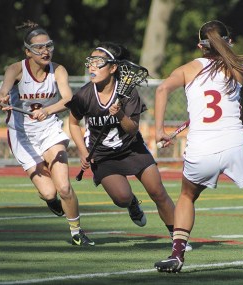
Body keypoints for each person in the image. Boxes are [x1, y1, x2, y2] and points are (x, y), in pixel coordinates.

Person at [154, 20, 243, 273]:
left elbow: (161, 89)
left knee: (186, 196)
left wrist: (160, 130)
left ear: (200, 46)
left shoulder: (187, 68)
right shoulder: (240, 69)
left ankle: (177, 255)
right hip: (235, 144)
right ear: (229, 42)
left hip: (200, 149)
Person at [67, 41, 192, 250]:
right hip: (103, 155)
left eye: (98, 63)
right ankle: (132, 204)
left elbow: (132, 129)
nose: (92, 67)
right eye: (90, 62)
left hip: (132, 149)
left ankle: (176, 238)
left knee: (158, 192)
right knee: (122, 197)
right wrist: (83, 151)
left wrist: (120, 114)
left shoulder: (128, 93)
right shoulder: (84, 95)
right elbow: (73, 122)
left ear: (113, 67)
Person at [0, 20, 94, 246]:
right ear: (27, 52)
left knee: (64, 187)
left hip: (49, 131)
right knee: (50, 193)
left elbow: (69, 98)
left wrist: (47, 110)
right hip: (21, 135)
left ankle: (77, 232)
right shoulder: (16, 69)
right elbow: (3, 91)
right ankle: (51, 200)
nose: (45, 51)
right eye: (39, 48)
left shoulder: (58, 70)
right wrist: (1, 99)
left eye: (48, 45)